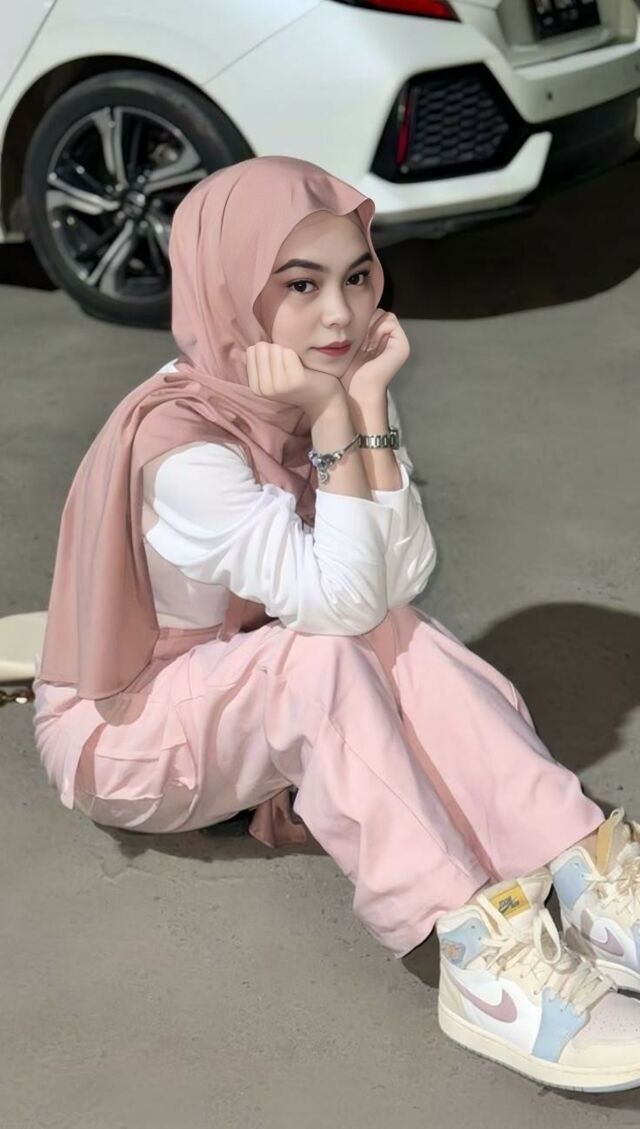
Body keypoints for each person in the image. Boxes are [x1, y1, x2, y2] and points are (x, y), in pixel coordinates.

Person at [32, 156, 640, 1093]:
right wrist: (332, 418)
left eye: (358, 277)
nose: (342, 315)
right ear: (231, 290)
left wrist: (365, 403)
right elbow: (341, 605)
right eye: (301, 285)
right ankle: (478, 955)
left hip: (235, 671)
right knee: (317, 661)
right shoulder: (183, 446)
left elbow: (399, 580)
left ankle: (584, 870)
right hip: (123, 728)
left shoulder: (312, 385)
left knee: (396, 631)